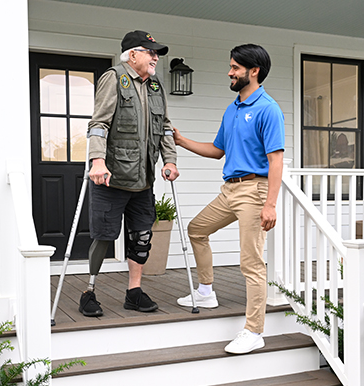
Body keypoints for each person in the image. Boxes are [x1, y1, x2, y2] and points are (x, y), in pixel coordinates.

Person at [174, 44, 285, 354]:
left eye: (235, 67)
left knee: (251, 262)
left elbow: (276, 160)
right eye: (231, 67)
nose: (230, 72)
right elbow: (217, 150)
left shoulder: (268, 109)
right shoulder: (233, 107)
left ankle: (254, 330)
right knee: (197, 229)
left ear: (254, 71)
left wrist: (270, 204)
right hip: (230, 190)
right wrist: (182, 142)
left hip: (254, 190)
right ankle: (207, 291)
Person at [79, 30, 179, 317]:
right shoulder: (114, 78)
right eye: (150, 52)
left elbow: (165, 127)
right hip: (111, 177)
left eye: (156, 52)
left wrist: (169, 160)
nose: (155, 57)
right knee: (103, 235)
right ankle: (90, 290)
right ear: (132, 54)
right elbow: (99, 123)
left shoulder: (156, 85)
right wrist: (97, 160)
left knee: (142, 236)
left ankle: (133, 292)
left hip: (143, 178)